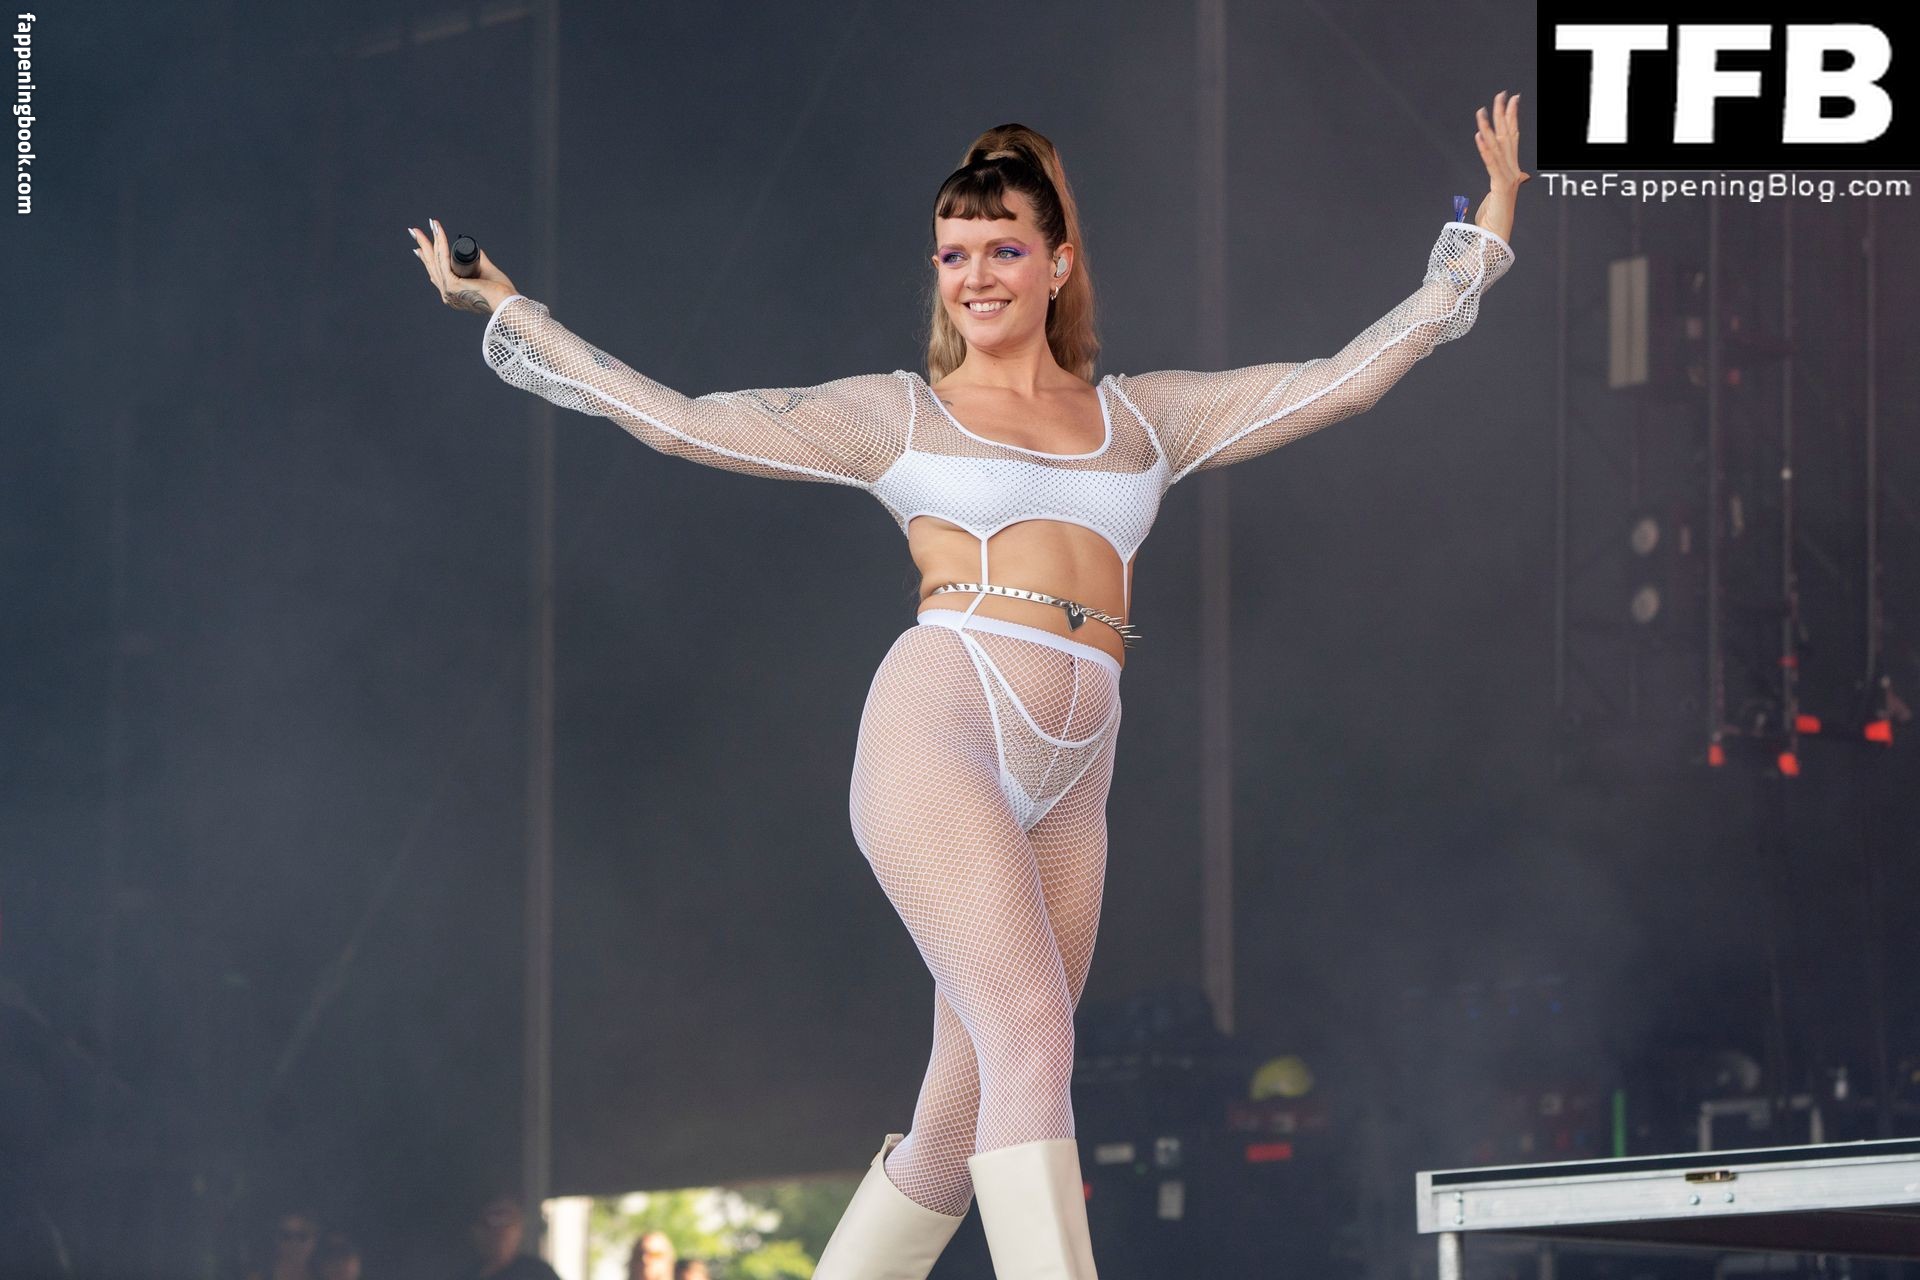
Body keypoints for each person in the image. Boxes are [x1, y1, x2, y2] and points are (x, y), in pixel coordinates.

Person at [411, 95, 1526, 1280]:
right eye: (953, 255)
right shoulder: (902, 413)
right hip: (944, 722)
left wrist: (1484, 236)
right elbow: (682, 424)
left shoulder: (1145, 418)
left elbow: (1341, 381)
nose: (976, 277)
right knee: (1035, 1035)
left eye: (1002, 250)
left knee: (955, 1132)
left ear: (1059, 263)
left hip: (1075, 773)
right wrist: (513, 313)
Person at [450, 1193, 562, 1280]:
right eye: (491, 1224)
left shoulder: (538, 1273)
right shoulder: (467, 1274)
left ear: (519, 1229)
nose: (500, 1233)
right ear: (476, 1231)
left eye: (506, 1222)